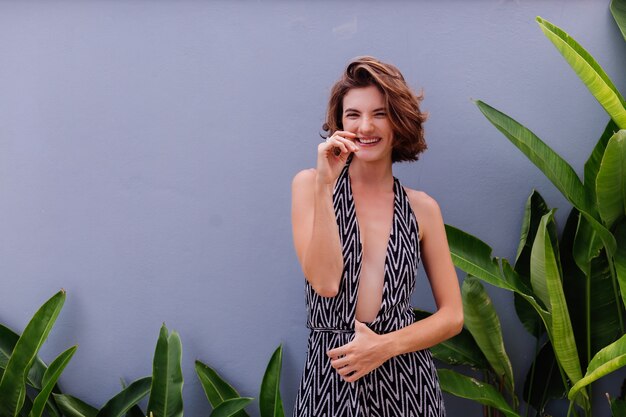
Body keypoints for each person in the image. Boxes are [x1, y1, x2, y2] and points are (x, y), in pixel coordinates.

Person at [291, 56, 463, 417]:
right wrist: (326, 185)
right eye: (353, 115)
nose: (365, 126)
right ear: (339, 124)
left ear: (398, 123)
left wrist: (384, 346)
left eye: (380, 113)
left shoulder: (422, 209)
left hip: (406, 380)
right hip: (332, 378)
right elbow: (323, 283)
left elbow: (452, 316)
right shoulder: (310, 185)